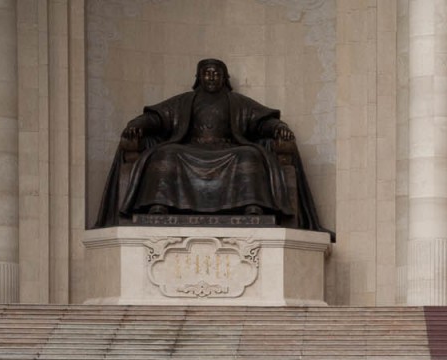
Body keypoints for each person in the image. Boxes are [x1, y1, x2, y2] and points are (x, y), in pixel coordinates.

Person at [94, 58, 328, 233]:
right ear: (199, 77)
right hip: (190, 148)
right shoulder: (185, 101)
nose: (212, 78)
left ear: (224, 78)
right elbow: (158, 117)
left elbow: (262, 122)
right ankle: (159, 204)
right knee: (166, 154)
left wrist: (279, 128)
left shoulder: (236, 102)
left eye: (216, 74)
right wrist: (138, 124)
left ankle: (252, 206)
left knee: (249, 156)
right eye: (207, 74)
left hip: (227, 149)